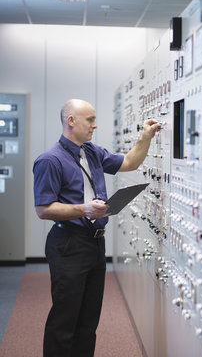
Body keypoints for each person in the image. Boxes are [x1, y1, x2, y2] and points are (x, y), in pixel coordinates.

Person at [33, 99, 158, 357]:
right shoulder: (50, 160)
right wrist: (83, 209)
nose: (95, 124)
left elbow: (130, 162)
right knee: (65, 320)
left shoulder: (92, 152)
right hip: (69, 243)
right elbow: (43, 209)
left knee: (89, 321)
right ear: (71, 121)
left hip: (94, 243)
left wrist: (145, 137)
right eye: (89, 119)